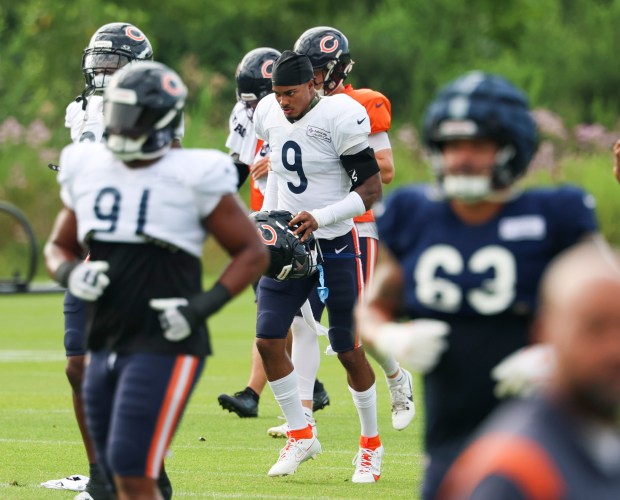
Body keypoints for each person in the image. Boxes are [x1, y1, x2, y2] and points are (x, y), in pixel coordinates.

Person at [356, 71, 599, 498]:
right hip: (451, 445)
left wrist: (557, 359)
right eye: (450, 146)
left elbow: (606, 313)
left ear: (512, 147)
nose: (460, 159)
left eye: (476, 146)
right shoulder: (415, 214)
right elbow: (373, 307)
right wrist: (390, 334)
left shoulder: (557, 215)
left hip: (551, 440)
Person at [43, 61, 268, 500]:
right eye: (117, 114)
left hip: (165, 337)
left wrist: (199, 308)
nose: (122, 127)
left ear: (163, 120)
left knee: (130, 465)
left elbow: (252, 251)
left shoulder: (192, 174)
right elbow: (58, 246)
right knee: (116, 470)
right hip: (104, 334)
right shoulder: (89, 166)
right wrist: (71, 271)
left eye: (133, 117)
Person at [40, 22, 174, 500]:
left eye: (112, 60)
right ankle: (100, 477)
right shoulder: (79, 111)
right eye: (98, 59)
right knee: (78, 366)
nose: (101, 69)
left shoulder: (156, 106)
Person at [252, 50, 384, 482]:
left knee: (348, 348)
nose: (283, 101)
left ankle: (370, 446)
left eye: (290, 92)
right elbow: (276, 171)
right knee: (270, 338)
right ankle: (301, 433)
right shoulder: (269, 111)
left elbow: (370, 190)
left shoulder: (340, 115)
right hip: (290, 243)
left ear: (314, 85)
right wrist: (268, 217)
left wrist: (321, 216)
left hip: (334, 242)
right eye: (277, 93)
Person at [285, 26, 416, 435]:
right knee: (302, 322)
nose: (316, 78)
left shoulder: (359, 104)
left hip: (355, 225)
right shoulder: (295, 107)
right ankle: (302, 416)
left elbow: (386, 170)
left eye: (321, 70)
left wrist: (332, 160)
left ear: (337, 69)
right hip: (310, 227)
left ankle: (396, 378)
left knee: (354, 326)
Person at [438, 241, 620, 499]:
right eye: (595, 328)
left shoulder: (599, 441)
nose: (614, 350)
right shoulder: (516, 470)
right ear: (545, 333)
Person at [217, 47, 331, 419]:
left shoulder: (315, 113)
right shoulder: (255, 113)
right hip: (262, 219)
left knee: (296, 318)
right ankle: (304, 388)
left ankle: (270, 392)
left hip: (303, 222)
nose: (258, 108)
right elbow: (237, 169)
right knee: (276, 314)